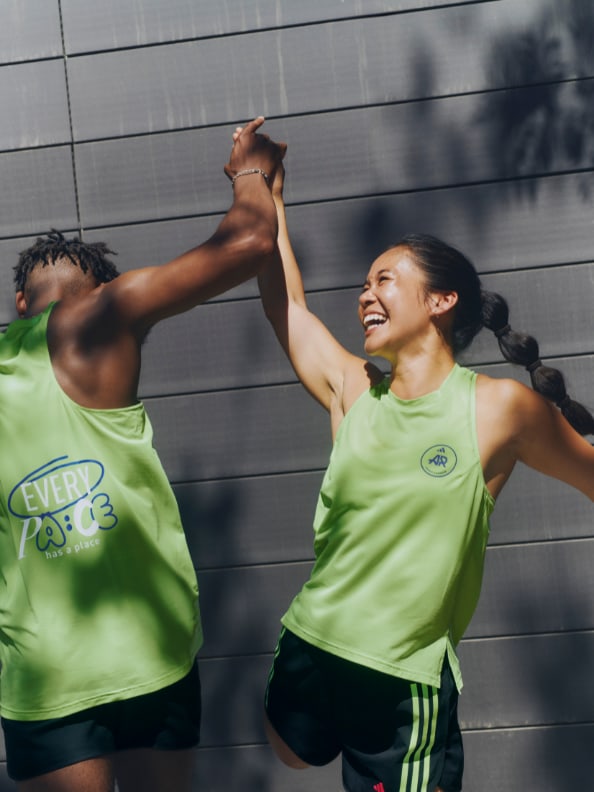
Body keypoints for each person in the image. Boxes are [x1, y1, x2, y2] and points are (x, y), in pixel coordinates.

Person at [245, 132, 594, 792]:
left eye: (384, 280)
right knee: (291, 752)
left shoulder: (497, 408)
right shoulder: (354, 390)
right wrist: (268, 194)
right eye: (362, 285)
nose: (364, 295)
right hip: (311, 644)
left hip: (399, 681)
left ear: (441, 301)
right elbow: (285, 306)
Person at [0, 117, 284, 792]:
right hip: (155, 653)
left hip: (46, 676)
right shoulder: (109, 314)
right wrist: (251, 168)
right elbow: (250, 241)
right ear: (103, 289)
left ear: (19, 301)